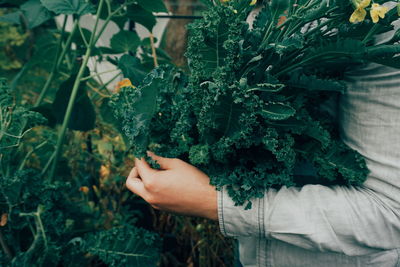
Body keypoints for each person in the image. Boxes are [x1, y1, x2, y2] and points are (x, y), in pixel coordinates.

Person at [125, 4, 400, 267]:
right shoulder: (254, 10)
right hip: (251, 252)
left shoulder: (380, 24)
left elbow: (390, 214)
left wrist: (213, 201)